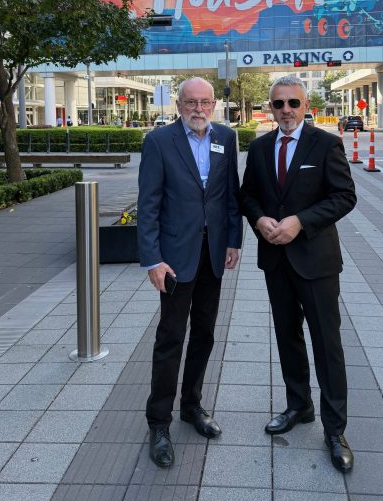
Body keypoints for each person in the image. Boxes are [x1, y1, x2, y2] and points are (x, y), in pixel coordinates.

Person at [240, 75, 357, 473]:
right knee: (287, 337)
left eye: (293, 102)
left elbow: (344, 196)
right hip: (276, 261)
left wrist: (300, 222)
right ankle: (299, 405)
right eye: (279, 104)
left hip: (316, 262)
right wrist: (259, 220)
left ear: (307, 106)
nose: (286, 110)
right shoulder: (259, 148)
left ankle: (335, 430)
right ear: (270, 108)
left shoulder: (326, 144)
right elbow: (248, 195)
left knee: (327, 344)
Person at [138, 77, 242, 468]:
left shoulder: (226, 138)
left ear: (214, 105)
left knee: (205, 333)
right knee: (170, 338)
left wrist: (233, 241)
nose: (199, 109)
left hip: (213, 253)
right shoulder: (159, 142)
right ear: (179, 105)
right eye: (191, 102)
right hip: (174, 259)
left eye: (205, 102)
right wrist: (152, 259)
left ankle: (192, 405)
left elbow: (231, 195)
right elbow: (148, 204)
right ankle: (158, 422)